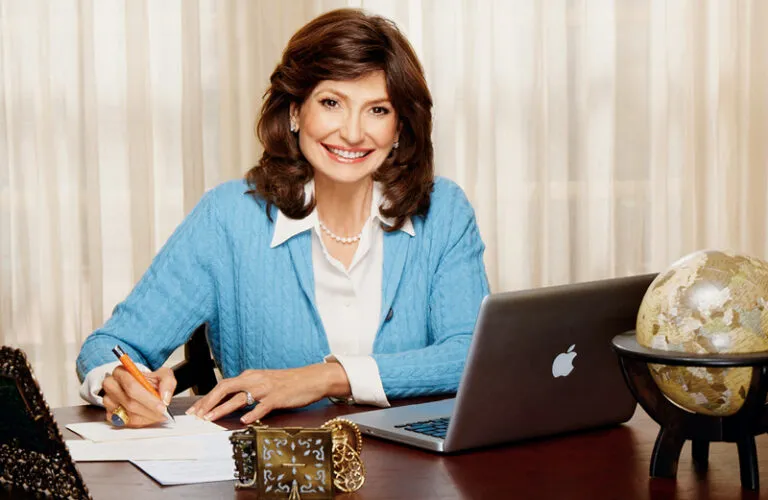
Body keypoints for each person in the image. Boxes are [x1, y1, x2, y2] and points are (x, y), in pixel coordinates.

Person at [76, 8, 489, 428]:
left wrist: (328, 378)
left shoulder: (444, 211)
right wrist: (120, 383)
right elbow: (110, 345)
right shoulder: (228, 218)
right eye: (331, 103)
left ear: (400, 126)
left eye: (377, 110)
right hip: (276, 482)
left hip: (416, 477)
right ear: (294, 112)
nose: (351, 132)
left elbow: (470, 355)